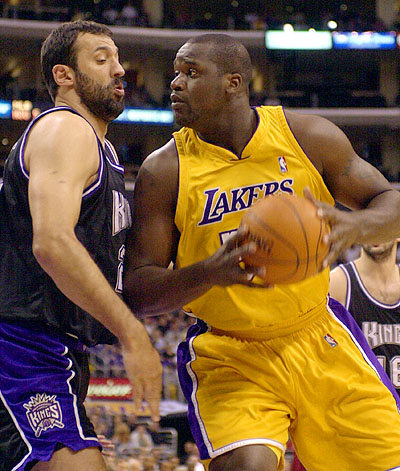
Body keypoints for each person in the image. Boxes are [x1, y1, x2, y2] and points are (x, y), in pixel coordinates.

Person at [123, 33, 400, 471]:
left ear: (233, 83)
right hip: (231, 354)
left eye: (191, 72)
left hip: (318, 335)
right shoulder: (164, 170)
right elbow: (139, 289)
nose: (175, 83)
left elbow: (390, 202)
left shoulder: (306, 136)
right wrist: (208, 272)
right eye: (175, 72)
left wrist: (355, 226)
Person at [0, 20, 162, 471]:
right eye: (101, 59)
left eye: (118, 59)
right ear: (64, 75)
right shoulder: (65, 130)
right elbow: (52, 243)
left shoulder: (103, 153)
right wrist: (133, 335)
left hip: (52, 352)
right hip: (21, 347)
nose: (119, 69)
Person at [330, 240, 400, 396]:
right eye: (369, 227)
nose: (374, 233)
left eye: (381, 227)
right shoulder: (337, 284)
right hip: (360, 406)